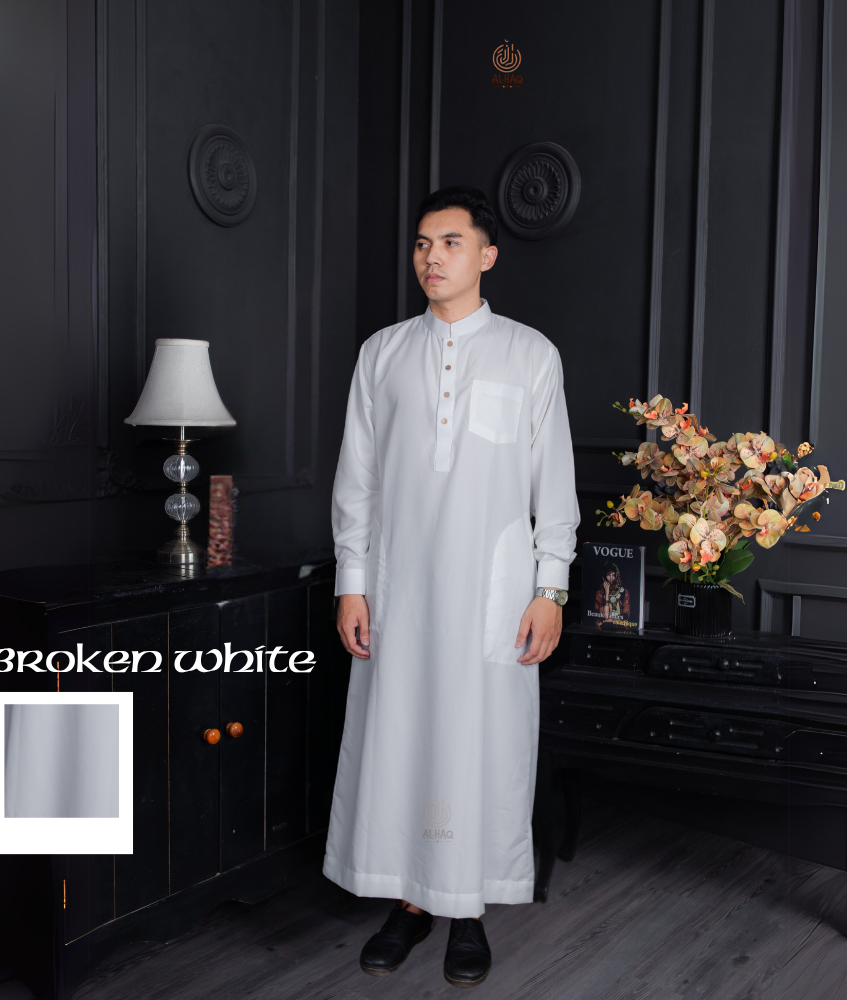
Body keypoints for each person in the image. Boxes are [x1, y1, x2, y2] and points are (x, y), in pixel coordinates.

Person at [324, 185, 580, 987]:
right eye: (422, 243)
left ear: (487, 255)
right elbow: (357, 480)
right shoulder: (382, 353)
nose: (431, 257)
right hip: (399, 586)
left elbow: (554, 483)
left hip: (493, 595)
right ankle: (409, 902)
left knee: (484, 743)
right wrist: (352, 582)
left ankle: (467, 909)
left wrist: (551, 588)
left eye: (450, 243)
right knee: (400, 738)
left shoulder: (530, 355)